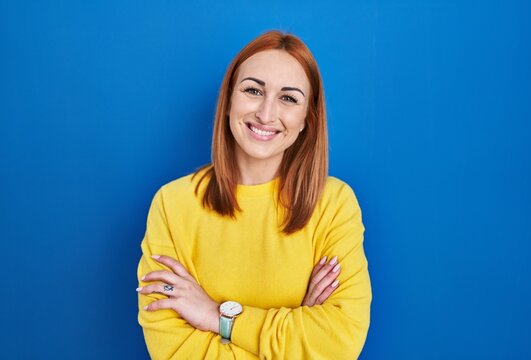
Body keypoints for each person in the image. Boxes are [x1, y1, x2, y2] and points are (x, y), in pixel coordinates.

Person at [136, 30, 371, 359]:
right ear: (229, 99)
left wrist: (217, 317)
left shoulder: (334, 205)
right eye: (253, 90)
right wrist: (294, 329)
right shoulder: (172, 205)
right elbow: (174, 351)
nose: (265, 113)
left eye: (288, 98)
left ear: (307, 119)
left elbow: (339, 343)